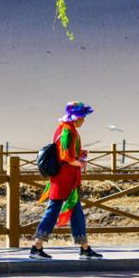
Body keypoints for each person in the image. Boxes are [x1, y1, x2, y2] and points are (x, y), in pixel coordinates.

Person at [30, 101, 103, 260]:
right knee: (53, 211)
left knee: (76, 213)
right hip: (65, 179)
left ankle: (84, 248)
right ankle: (36, 247)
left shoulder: (63, 130)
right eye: (82, 117)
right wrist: (81, 162)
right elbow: (66, 157)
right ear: (75, 118)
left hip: (65, 179)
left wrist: (80, 153)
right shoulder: (69, 131)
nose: (83, 120)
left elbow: (65, 152)